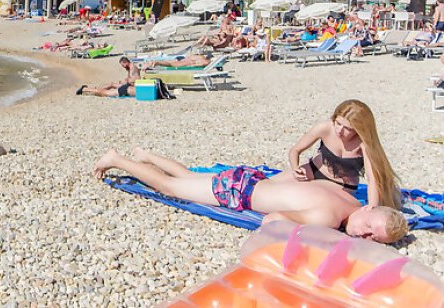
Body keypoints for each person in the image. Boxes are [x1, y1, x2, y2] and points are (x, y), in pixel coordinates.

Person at [92, 147, 407, 243]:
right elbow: (273, 220)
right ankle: (117, 160)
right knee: (172, 188)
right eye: (369, 230)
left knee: (189, 177)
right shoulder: (327, 219)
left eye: (370, 239)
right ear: (370, 211)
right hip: (239, 191)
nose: (363, 236)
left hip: (249, 179)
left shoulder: (350, 199)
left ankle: (146, 155)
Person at [272, 99, 400, 209]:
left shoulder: (364, 144)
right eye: (338, 123)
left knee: (296, 198)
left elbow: (372, 180)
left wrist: (372, 207)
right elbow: (295, 150)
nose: (339, 130)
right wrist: (295, 169)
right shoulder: (325, 127)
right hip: (313, 170)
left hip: (341, 186)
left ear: (358, 129)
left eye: (348, 128)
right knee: (267, 186)